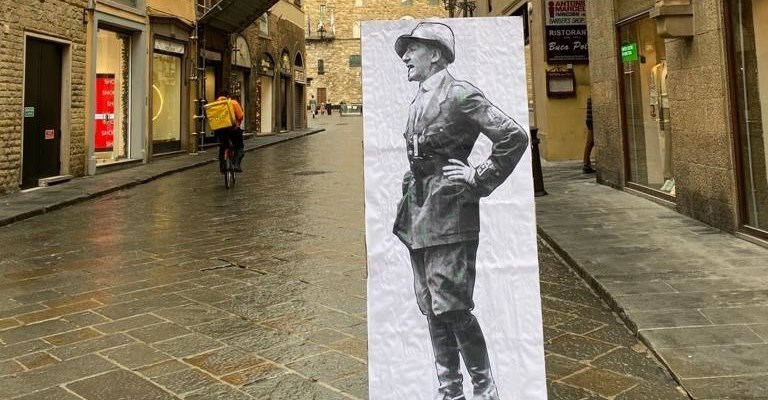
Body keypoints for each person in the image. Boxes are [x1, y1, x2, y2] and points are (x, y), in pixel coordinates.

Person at [392, 22, 529, 400]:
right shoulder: (418, 99)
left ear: (435, 53)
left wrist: (478, 176)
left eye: (412, 49)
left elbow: (514, 137)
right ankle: (450, 390)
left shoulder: (460, 94)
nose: (405, 57)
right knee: (432, 308)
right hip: (417, 215)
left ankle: (484, 389)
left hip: (451, 214)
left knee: (452, 307)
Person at [214, 90, 244, 173]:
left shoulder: (215, 105)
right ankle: (236, 165)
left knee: (223, 146)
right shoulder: (233, 103)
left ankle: (223, 166)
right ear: (228, 96)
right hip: (233, 129)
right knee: (239, 146)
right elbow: (240, 115)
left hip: (221, 130)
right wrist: (237, 123)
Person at [583, 96, 595, 174]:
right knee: (590, 143)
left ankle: (586, 163)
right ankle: (586, 164)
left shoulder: (590, 97)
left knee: (589, 143)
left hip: (590, 121)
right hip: (592, 122)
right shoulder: (593, 97)